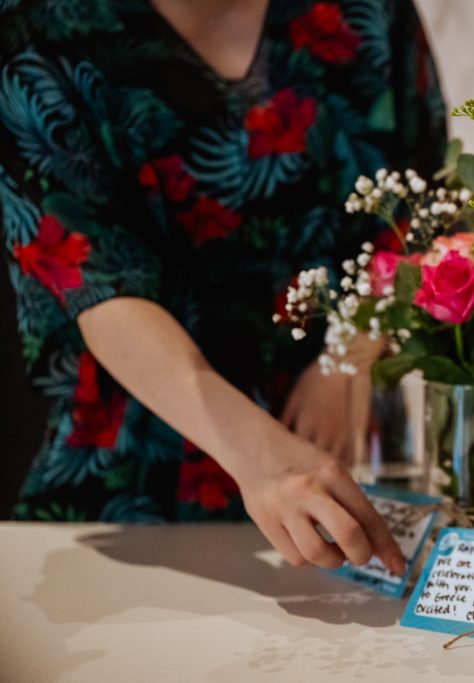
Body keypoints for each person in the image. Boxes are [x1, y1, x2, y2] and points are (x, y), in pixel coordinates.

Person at [0, 0, 448, 574]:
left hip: (347, 442)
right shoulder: (37, 30)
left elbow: (422, 204)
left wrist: (350, 357)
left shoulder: (372, 11)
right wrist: (263, 454)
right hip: (142, 469)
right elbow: (94, 281)